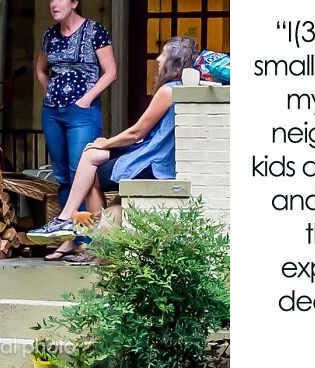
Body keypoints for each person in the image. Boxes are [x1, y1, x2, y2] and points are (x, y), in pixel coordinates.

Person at [28, 36, 198, 262]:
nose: (158, 59)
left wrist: (105, 142)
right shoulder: (182, 88)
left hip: (155, 161)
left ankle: (79, 230)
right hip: (153, 152)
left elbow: (137, 133)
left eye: (164, 54)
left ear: (174, 62)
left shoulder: (168, 91)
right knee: (90, 159)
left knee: (91, 168)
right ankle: (74, 226)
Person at [37, 0, 117, 260]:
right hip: (52, 112)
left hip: (82, 114)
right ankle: (70, 239)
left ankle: (91, 240)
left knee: (81, 174)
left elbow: (111, 72)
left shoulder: (95, 31)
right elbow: (41, 70)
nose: (53, 4)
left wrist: (85, 99)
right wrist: (49, 92)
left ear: (73, 3)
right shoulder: (50, 34)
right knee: (61, 176)